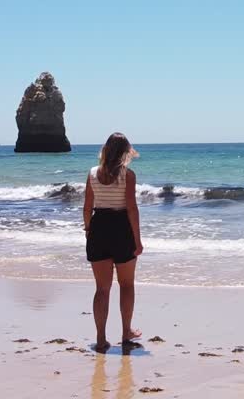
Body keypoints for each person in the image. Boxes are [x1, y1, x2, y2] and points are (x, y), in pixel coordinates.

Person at [83, 132, 144, 352]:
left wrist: (89, 230)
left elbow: (87, 207)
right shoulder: (128, 175)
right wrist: (137, 240)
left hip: (99, 226)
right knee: (126, 285)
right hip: (121, 228)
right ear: (125, 152)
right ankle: (126, 331)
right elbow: (131, 209)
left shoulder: (91, 174)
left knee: (102, 288)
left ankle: (100, 338)